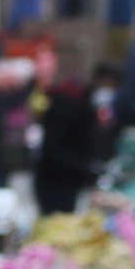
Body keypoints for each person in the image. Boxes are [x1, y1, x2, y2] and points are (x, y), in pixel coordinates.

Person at [34, 65, 115, 217]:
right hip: (56, 180)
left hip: (68, 179)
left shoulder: (87, 105)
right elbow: (53, 148)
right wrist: (85, 167)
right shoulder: (67, 104)